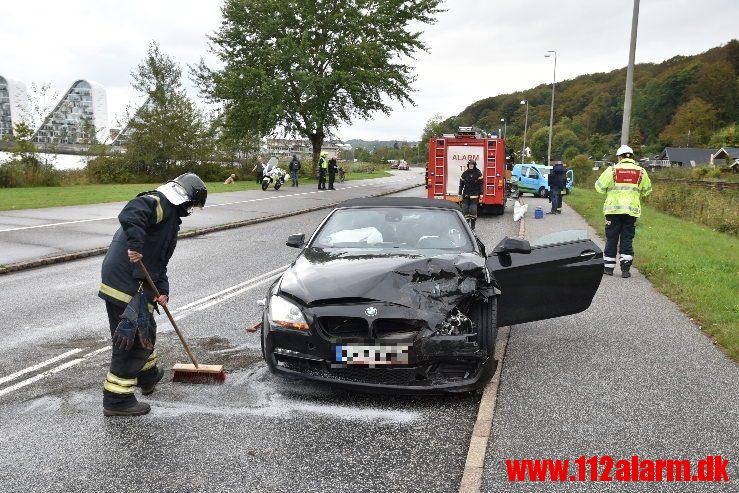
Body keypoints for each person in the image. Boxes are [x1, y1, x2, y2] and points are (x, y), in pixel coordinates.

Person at [98, 173, 207, 416]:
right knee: (132, 341)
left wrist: (163, 290)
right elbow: (131, 213)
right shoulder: (158, 203)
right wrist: (135, 247)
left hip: (137, 282)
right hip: (126, 283)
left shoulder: (169, 219)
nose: (190, 210)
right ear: (184, 199)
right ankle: (117, 400)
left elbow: (158, 262)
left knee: (145, 331)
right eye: (191, 205)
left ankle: (147, 376)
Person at [595, 145, 652, 278]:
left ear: (620, 157)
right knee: (627, 238)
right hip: (631, 212)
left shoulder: (612, 170)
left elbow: (599, 187)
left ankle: (608, 268)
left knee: (611, 238)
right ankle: (625, 270)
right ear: (631, 156)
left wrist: (609, 191)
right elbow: (647, 190)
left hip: (613, 210)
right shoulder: (641, 171)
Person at [459, 160, 483, 230]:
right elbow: (461, 184)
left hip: (474, 195)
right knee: (465, 209)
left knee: (473, 210)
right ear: (468, 165)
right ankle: (466, 226)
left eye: (472, 164)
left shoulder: (478, 173)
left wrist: (481, 194)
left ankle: (472, 225)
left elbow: (481, 184)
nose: (471, 165)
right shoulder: (465, 173)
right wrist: (460, 193)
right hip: (466, 195)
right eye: (470, 164)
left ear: (474, 165)